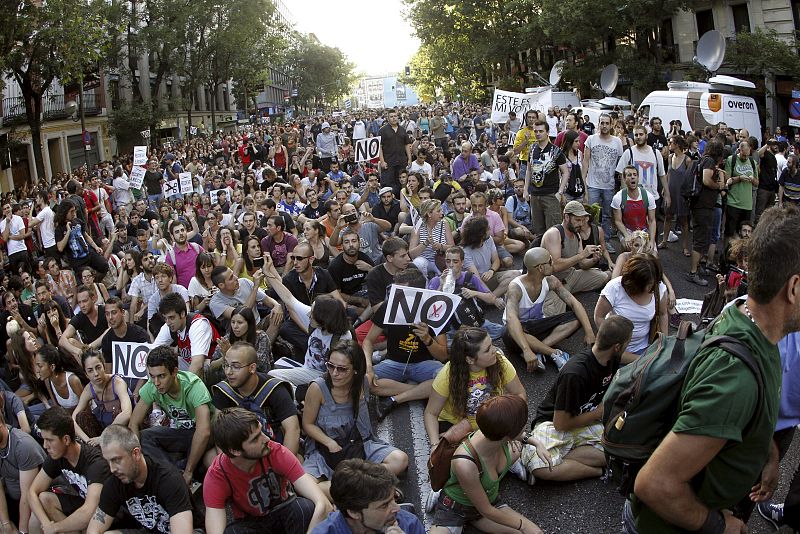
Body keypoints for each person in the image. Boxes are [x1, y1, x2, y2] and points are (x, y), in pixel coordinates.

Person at [626, 206, 800, 532]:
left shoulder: (747, 316)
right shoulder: (736, 379)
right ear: (793, 289)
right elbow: (655, 484)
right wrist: (719, 526)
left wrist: (768, 454)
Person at [522, 316, 633, 483]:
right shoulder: (575, 373)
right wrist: (598, 413)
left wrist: (650, 359)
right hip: (553, 423)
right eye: (627, 343)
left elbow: (629, 361)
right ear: (617, 347)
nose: (628, 346)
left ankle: (563, 459)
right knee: (541, 468)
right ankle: (596, 471)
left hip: (585, 421)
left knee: (622, 451)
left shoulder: (611, 357)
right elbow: (560, 423)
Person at [301, 339, 408, 496]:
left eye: (342, 369)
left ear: (355, 370)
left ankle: (353, 487)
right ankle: (371, 485)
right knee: (305, 484)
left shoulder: (362, 383)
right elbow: (308, 424)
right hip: (326, 452)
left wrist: (418, 389)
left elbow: (382, 388)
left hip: (359, 446)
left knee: (400, 460)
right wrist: (328, 442)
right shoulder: (317, 388)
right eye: (330, 366)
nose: (335, 373)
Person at [428, 395, 548, 534]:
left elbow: (520, 435)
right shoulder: (465, 463)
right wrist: (522, 525)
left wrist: (537, 443)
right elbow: (486, 510)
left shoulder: (492, 432)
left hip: (488, 503)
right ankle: (441, 496)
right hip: (456, 508)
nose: (525, 427)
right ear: (507, 436)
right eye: (522, 425)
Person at [203, 407, 330, 534]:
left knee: (306, 508)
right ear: (235, 451)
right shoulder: (217, 475)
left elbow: (323, 504)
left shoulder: (275, 451)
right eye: (255, 439)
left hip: (285, 512)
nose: (266, 439)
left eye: (261, 432)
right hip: (252, 524)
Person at [362, 268, 449, 420]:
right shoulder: (389, 305)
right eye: (396, 289)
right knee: (364, 381)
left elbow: (443, 355)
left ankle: (396, 399)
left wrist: (427, 339)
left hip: (424, 363)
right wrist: (369, 368)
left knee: (450, 377)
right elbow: (368, 341)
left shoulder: (434, 309)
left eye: (402, 290)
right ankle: (421, 391)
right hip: (393, 362)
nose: (397, 294)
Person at [424, 327, 525, 448]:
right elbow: (431, 413)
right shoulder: (448, 375)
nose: (495, 350)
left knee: (510, 451)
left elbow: (519, 394)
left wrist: (513, 429)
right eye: (487, 350)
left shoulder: (500, 362)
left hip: (490, 424)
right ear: (470, 359)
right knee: (465, 460)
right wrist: (435, 445)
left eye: (492, 344)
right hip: (456, 425)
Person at [128, 346, 214, 486]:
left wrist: (188, 471)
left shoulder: (193, 386)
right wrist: (139, 459)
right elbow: (133, 423)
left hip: (206, 433)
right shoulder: (152, 386)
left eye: (161, 376)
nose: (156, 383)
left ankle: (181, 473)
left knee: (201, 454)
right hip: (182, 433)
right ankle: (172, 474)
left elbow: (204, 431)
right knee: (144, 436)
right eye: (152, 376)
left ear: (174, 371)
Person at [88, 424, 194, 534]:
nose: (112, 469)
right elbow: (94, 528)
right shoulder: (116, 481)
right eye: (108, 461)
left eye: (116, 460)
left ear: (136, 453)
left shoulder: (169, 479)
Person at [503, 247, 595, 372]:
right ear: (540, 268)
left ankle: (539, 350)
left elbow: (574, 303)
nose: (553, 264)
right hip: (518, 332)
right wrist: (526, 350)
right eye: (550, 261)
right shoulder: (515, 287)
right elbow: (511, 318)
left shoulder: (550, 280)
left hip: (538, 326)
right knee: (508, 329)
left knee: (576, 318)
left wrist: (589, 332)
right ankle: (554, 353)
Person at [28, 407, 110, 534]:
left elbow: (89, 511)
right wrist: (46, 524)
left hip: (104, 515)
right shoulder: (56, 456)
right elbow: (32, 492)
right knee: (43, 500)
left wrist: (54, 528)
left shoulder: (95, 462)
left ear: (66, 439)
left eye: (49, 440)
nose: (45, 446)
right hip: (82, 504)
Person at [211, 342, 300, 455]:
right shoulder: (223, 391)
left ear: (252, 368)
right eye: (226, 365)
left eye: (236, 366)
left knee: (299, 460)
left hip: (273, 446)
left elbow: (293, 428)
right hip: (240, 451)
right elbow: (220, 434)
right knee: (210, 458)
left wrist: (285, 464)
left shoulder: (274, 389)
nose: (228, 372)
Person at [312, 458, 425, 534]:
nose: (397, 508)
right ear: (354, 512)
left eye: (393, 499)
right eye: (384, 505)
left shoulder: (409, 525)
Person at [594, 254, 667, 361]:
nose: (649, 289)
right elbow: (598, 316)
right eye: (645, 285)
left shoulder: (658, 288)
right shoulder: (615, 287)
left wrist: (664, 343)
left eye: (652, 284)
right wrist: (610, 342)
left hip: (643, 347)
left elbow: (663, 314)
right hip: (615, 349)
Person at [541, 201, 610, 311]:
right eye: (578, 220)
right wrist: (582, 255)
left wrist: (594, 259)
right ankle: (562, 293)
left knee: (604, 277)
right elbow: (555, 266)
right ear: (566, 217)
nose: (581, 224)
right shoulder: (554, 233)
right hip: (554, 281)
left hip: (571, 275)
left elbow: (582, 265)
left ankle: (569, 290)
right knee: (552, 311)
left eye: (583, 220)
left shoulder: (576, 235)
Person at [427, 246, 505, 340]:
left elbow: (491, 298)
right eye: (448, 261)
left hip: (474, 321)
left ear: (462, 263)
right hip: (452, 327)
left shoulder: (470, 277)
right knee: (449, 345)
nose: (451, 265)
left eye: (455, 261)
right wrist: (441, 286)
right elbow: (430, 308)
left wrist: (474, 293)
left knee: (505, 331)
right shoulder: (436, 281)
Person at [73, 349, 134, 444]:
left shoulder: (117, 382)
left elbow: (127, 413)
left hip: (122, 429)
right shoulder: (89, 389)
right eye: (90, 371)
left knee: (118, 413)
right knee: (81, 416)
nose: (96, 374)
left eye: (98, 367)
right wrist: (87, 440)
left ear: (104, 367)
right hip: (104, 427)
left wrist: (103, 437)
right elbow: (73, 418)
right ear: (86, 374)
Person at [583, 114, 624, 252]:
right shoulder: (591, 139)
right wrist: (584, 182)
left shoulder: (617, 141)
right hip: (593, 184)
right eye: (602, 123)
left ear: (611, 124)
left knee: (607, 215)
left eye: (607, 123)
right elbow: (586, 161)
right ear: (598, 123)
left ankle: (605, 242)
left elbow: (620, 164)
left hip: (609, 185)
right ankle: (591, 242)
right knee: (591, 215)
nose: (604, 125)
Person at [0, 410, 45, 534]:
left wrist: (22, 531)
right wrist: (6, 523)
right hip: (11, 499)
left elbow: (27, 494)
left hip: (34, 500)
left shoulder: (23, 445)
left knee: (32, 526)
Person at [524, 120, 569, 235]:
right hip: (535, 194)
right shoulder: (532, 149)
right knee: (538, 230)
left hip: (550, 195)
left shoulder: (556, 151)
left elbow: (565, 172)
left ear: (547, 132)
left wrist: (560, 192)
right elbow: (529, 170)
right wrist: (525, 190)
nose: (538, 133)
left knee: (553, 230)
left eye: (541, 131)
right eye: (536, 131)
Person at [660, 135, 693, 255]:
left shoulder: (687, 160)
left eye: (671, 142)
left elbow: (689, 178)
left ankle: (685, 246)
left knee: (684, 220)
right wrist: (665, 188)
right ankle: (664, 241)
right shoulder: (670, 157)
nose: (669, 144)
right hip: (671, 191)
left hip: (682, 193)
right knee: (668, 216)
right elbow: (668, 173)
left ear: (677, 144)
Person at [612, 166, 657, 252]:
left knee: (652, 253)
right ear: (624, 179)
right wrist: (626, 235)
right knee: (628, 247)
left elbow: (652, 221)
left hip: (644, 230)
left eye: (635, 175)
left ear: (638, 178)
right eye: (629, 175)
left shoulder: (648, 196)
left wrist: (652, 241)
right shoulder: (618, 198)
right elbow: (618, 221)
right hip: (627, 230)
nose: (632, 177)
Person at [409, 199, 454, 277]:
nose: (442, 213)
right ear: (429, 214)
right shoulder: (418, 227)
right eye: (438, 211)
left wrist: (441, 246)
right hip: (424, 260)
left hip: (440, 260)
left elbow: (453, 247)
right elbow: (412, 254)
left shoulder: (444, 224)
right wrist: (425, 243)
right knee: (418, 263)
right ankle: (424, 285)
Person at [34, 345, 85, 413]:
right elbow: (57, 408)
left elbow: (86, 408)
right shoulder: (48, 381)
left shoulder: (73, 380)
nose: (37, 370)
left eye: (40, 366)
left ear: (52, 367)